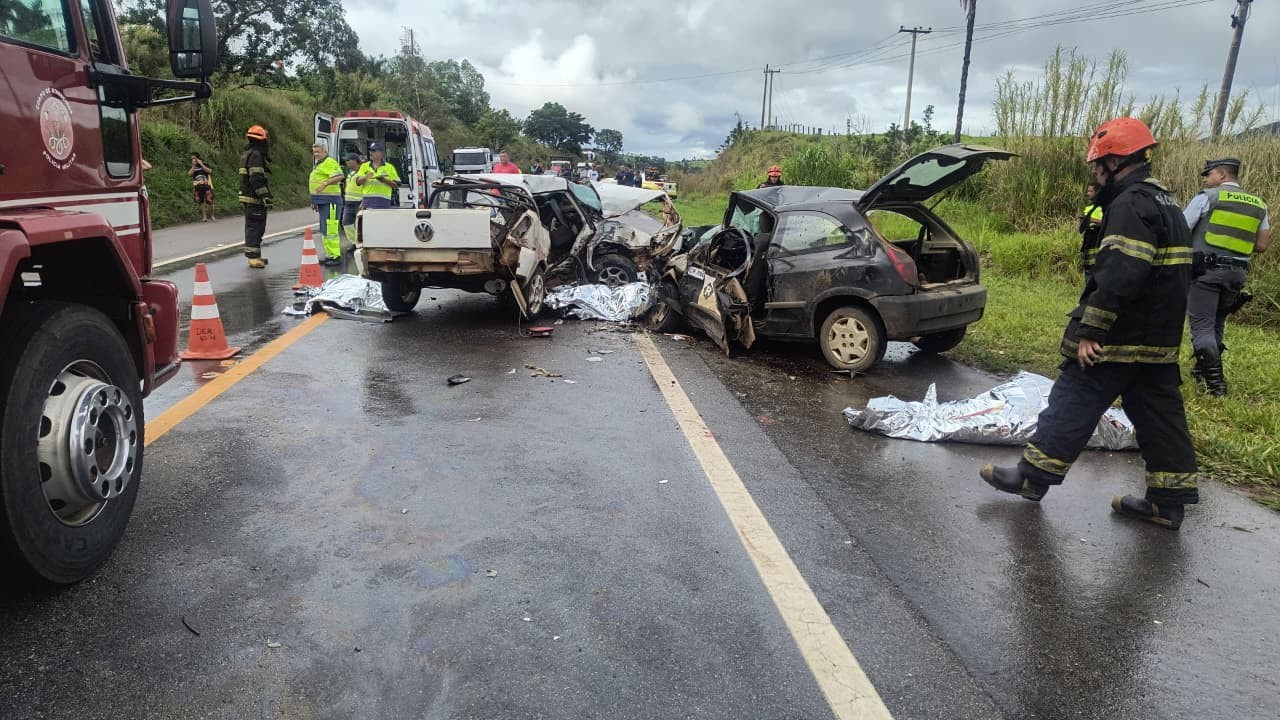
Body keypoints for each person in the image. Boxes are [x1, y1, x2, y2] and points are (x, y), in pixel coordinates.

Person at [978, 117, 1199, 530]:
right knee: (1160, 418)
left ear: (1115, 162)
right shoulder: (1167, 202)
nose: (1095, 173)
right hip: (1158, 339)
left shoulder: (1130, 204)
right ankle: (1168, 504)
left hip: (1120, 335)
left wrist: (1092, 329)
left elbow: (1121, 271)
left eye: (1098, 165)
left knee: (1074, 397)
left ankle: (1032, 477)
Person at [1183, 157, 1270, 397]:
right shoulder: (1259, 204)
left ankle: (1216, 385)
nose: (1206, 179)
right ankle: (1202, 371)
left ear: (1221, 174)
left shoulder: (1208, 197)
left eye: (1208, 174)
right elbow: (1262, 245)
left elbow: (1181, 229)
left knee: (1201, 326)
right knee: (1217, 322)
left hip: (1206, 273)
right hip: (1237, 274)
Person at [237, 125, 273, 269]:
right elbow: (256, 178)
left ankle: (256, 255)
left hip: (249, 196)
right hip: (254, 197)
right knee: (255, 227)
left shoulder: (247, 153)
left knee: (255, 226)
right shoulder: (256, 155)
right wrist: (265, 195)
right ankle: (253, 258)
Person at [309, 144, 345, 265]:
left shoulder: (329, 162)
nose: (316, 154)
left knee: (331, 229)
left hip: (331, 201)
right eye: (314, 152)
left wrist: (325, 184)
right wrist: (314, 201)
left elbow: (340, 176)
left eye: (318, 152)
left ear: (325, 151)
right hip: (322, 201)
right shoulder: (319, 164)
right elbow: (315, 184)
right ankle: (329, 254)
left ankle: (335, 256)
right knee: (324, 229)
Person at [355, 142, 400, 210]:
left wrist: (384, 180)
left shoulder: (389, 167)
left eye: (373, 151)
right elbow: (358, 182)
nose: (371, 153)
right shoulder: (364, 166)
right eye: (370, 150)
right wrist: (366, 177)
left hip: (384, 202)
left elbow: (397, 185)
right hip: (367, 202)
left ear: (380, 153)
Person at [1078, 180, 1103, 278]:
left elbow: (1108, 223)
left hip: (1099, 244)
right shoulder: (1088, 208)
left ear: (1097, 192)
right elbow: (1081, 229)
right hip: (1088, 243)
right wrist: (1083, 221)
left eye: (1090, 191)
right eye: (1087, 191)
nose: (1087, 193)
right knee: (1088, 271)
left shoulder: (1104, 207)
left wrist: (1093, 220)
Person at [340, 152, 363, 252]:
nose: (346, 162)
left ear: (354, 161)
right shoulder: (350, 173)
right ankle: (355, 243)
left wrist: (364, 200)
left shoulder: (363, 172)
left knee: (360, 225)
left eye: (348, 160)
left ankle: (362, 244)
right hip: (349, 203)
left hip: (359, 202)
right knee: (346, 223)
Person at [189, 152, 215, 222]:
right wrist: (193, 166)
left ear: (198, 158)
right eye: (192, 159)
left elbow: (210, 171)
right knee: (201, 202)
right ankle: (204, 217)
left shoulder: (205, 164)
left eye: (194, 158)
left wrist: (201, 164)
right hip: (198, 186)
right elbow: (190, 174)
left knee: (210, 201)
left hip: (207, 185)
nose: (193, 160)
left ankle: (212, 215)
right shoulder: (193, 167)